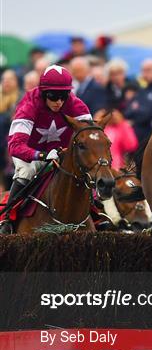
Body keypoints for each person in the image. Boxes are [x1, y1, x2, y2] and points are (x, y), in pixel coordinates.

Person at [0, 65, 92, 234]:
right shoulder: (29, 104)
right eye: (53, 96)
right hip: (30, 152)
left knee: (86, 172)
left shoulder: (77, 106)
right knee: (26, 171)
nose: (59, 102)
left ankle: (98, 214)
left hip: (61, 152)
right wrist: (41, 155)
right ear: (43, 92)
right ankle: (7, 218)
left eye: (64, 96)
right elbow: (15, 146)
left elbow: (91, 137)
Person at [124, 59, 152, 144]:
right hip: (136, 133)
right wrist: (137, 111)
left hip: (151, 134)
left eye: (148, 70)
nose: (145, 73)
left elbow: (147, 115)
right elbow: (128, 112)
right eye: (143, 70)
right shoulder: (142, 90)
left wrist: (134, 119)